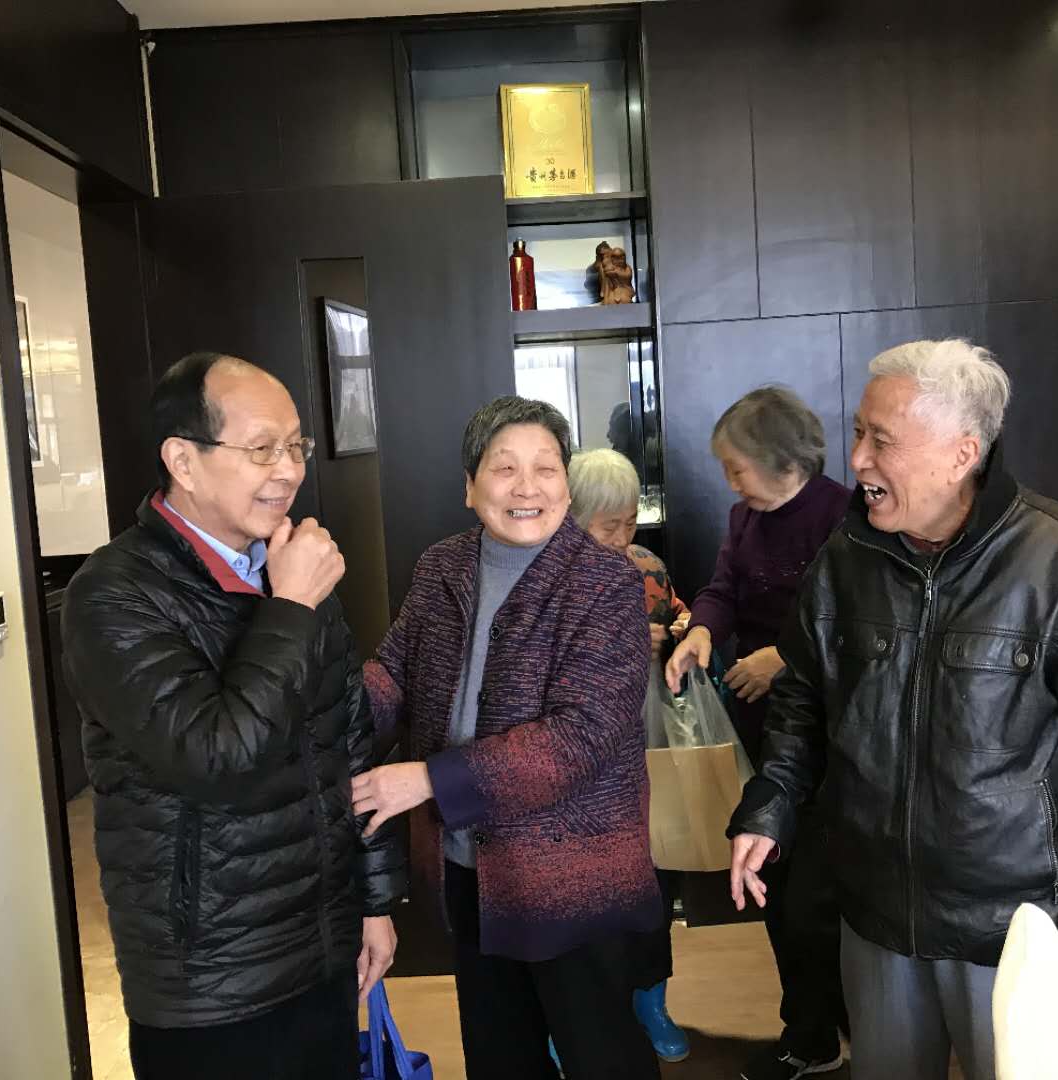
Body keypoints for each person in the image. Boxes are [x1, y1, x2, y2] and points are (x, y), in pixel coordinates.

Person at [729, 339, 1058, 1080]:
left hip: (1014, 930)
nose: (857, 459)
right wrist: (770, 805)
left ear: (962, 452)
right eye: (858, 432)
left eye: (881, 439)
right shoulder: (846, 556)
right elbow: (803, 700)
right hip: (874, 917)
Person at [62, 352, 404, 1080]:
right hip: (210, 974)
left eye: (296, 446)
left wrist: (374, 903)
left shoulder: (290, 565)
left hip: (322, 946)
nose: (288, 471)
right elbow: (217, 758)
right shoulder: (115, 594)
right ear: (183, 461)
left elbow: (349, 744)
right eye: (261, 449)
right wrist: (291, 606)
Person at [353, 396, 662, 1080]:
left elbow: (580, 738)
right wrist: (318, 724)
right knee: (500, 1057)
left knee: (602, 1057)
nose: (527, 488)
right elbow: (393, 674)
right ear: (470, 487)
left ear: (566, 486)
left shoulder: (608, 583)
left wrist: (428, 779)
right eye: (504, 469)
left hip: (576, 877)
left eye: (546, 469)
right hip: (470, 869)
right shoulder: (443, 567)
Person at [665, 386, 852, 1080]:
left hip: (829, 736)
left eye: (737, 467)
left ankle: (830, 1031)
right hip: (761, 729)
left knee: (814, 901)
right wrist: (702, 632)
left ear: (783, 460)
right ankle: (811, 1034)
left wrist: (785, 659)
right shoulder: (745, 517)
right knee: (777, 890)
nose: (730, 482)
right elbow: (722, 590)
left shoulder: (843, 515)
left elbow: (861, 626)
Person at [569, 448, 691, 1063]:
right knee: (582, 892)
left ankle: (652, 999)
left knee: (651, 880)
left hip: (645, 748)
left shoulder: (648, 568)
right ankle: (572, 1018)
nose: (623, 538)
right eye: (608, 526)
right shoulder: (547, 577)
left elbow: (684, 619)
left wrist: (680, 635)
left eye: (629, 523)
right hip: (574, 761)